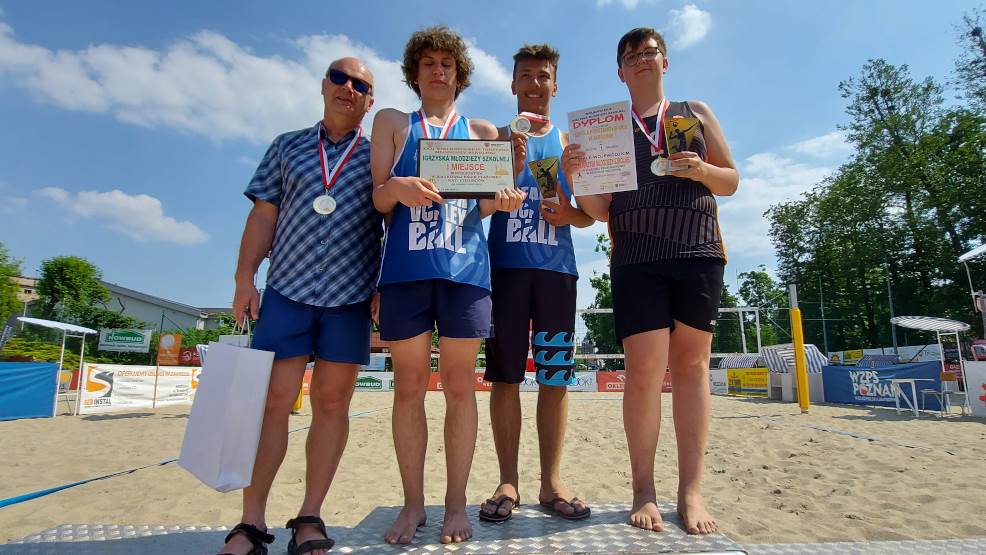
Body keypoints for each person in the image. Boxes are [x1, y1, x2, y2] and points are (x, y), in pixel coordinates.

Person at [568, 28, 739, 535]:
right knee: (643, 372)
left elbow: (730, 182)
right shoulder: (606, 128)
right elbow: (598, 212)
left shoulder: (695, 112)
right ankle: (644, 489)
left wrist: (702, 168)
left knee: (692, 368)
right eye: (630, 56)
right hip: (637, 256)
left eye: (648, 53)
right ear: (619, 72)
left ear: (665, 61)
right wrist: (579, 175)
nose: (641, 61)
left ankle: (691, 491)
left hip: (699, 249)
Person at [370, 26, 525, 545]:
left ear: (460, 74)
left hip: (465, 270)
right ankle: (414, 506)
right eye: (429, 63)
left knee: (460, 389)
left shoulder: (481, 131)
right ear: (414, 72)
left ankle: (455, 503)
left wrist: (502, 201)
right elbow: (378, 199)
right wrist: (398, 185)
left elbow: (482, 204)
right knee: (409, 389)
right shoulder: (393, 122)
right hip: (407, 269)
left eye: (447, 64)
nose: (439, 70)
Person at [221, 57, 381, 555]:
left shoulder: (379, 157)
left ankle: (310, 516)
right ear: (323, 85)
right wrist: (245, 278)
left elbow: (391, 225)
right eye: (340, 78)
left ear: (370, 101)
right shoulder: (286, 146)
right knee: (273, 406)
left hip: (349, 298)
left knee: (332, 407)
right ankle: (251, 522)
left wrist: (384, 288)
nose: (349, 89)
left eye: (361, 85)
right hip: (287, 292)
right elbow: (263, 215)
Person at [478, 43, 594, 524]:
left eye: (543, 76)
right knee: (505, 377)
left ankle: (551, 482)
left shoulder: (571, 143)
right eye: (525, 75)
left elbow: (590, 215)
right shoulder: (495, 137)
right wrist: (504, 162)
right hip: (503, 271)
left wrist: (570, 211)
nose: (534, 84)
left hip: (556, 274)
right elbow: (473, 203)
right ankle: (509, 480)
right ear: (513, 84)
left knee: (555, 379)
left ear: (554, 84)